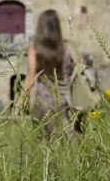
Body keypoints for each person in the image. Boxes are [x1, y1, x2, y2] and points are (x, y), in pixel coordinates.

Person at [22, 9, 80, 139]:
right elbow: (78, 70)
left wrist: (21, 101)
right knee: (66, 140)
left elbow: (30, 77)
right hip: (64, 101)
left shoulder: (35, 49)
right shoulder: (67, 48)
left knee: (44, 143)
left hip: (42, 102)